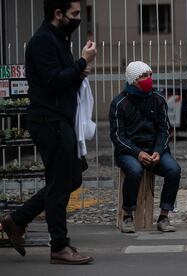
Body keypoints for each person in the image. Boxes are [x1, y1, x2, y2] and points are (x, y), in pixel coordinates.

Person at [0, 0, 97, 264]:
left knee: (71, 178)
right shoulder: (42, 42)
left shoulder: (59, 38)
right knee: (60, 185)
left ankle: (16, 220)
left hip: (60, 120)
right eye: (75, 14)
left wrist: (79, 70)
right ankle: (59, 247)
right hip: (48, 122)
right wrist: (81, 63)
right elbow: (53, 81)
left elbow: (62, 77)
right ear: (58, 14)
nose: (78, 19)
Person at [109, 61, 181, 234]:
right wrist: (137, 152)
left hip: (154, 150)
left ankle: (164, 216)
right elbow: (117, 136)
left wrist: (158, 151)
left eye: (150, 74)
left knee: (174, 170)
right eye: (143, 76)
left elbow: (164, 130)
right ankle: (127, 215)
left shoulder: (158, 100)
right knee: (134, 170)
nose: (149, 79)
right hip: (129, 152)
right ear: (133, 80)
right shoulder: (119, 103)